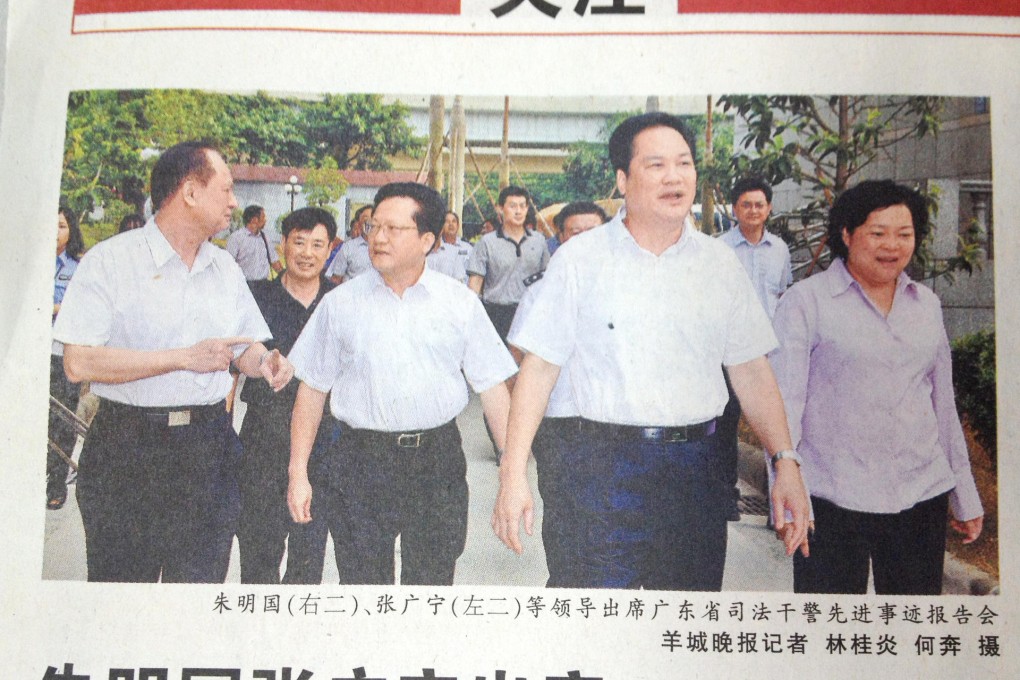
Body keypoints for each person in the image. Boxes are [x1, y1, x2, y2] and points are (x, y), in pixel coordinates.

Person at [492, 112, 811, 591]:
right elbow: (538, 371)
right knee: (591, 627)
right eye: (657, 164)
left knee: (682, 633)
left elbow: (751, 370)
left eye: (684, 163)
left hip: (696, 472)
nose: (674, 177)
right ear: (623, 179)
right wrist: (512, 474)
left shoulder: (719, 264)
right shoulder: (580, 260)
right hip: (600, 468)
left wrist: (784, 461)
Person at [53, 141, 294, 583]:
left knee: (198, 599)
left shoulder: (223, 267)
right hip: (128, 449)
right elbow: (78, 362)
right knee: (124, 601)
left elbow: (244, 346)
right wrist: (183, 358)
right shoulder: (111, 262)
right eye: (226, 189)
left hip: (208, 449)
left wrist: (267, 362)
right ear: (189, 191)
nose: (234, 202)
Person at [287, 182, 516, 585]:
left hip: (436, 461)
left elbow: (494, 389)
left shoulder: (458, 304)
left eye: (394, 229)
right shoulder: (341, 304)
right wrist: (298, 473)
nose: (378, 238)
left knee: (430, 592)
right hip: (360, 461)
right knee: (363, 591)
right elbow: (312, 390)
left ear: (427, 240)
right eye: (374, 227)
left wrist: (512, 475)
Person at [770, 179, 983, 595]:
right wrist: (786, 484)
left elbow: (942, 406)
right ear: (847, 235)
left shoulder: (927, 305)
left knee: (910, 634)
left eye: (904, 234)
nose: (892, 246)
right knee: (828, 633)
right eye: (878, 233)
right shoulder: (805, 302)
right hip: (832, 496)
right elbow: (784, 404)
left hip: (920, 493)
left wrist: (965, 494)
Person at [506, 200, 606, 585]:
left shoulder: (627, 288)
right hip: (561, 428)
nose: (582, 240)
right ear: (559, 239)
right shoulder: (541, 293)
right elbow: (516, 361)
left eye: (592, 232)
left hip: (614, 430)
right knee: (566, 525)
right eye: (574, 233)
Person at [236, 206, 338, 584]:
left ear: (330, 250)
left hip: (324, 443)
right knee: (258, 551)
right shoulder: (255, 297)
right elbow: (233, 367)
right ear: (282, 246)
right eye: (298, 242)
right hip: (263, 437)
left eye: (317, 244)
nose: (307, 253)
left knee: (308, 557)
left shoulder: (339, 303)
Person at [717, 177, 793, 520]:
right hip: (731, 353)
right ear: (735, 210)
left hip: (770, 352)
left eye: (759, 205)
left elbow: (784, 295)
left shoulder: (780, 250)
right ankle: (725, 494)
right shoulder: (720, 249)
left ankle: (783, 500)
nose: (752, 211)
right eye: (745, 205)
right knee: (726, 423)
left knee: (776, 425)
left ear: (769, 209)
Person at [467, 186, 550, 342]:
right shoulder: (487, 242)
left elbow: (547, 279)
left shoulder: (539, 240)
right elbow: (475, 284)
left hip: (530, 314)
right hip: (496, 315)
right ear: (500, 209)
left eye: (522, 206)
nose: (518, 211)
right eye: (512, 206)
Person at [47, 205, 86, 510]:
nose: (54, 231)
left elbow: (77, 308)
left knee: (62, 421)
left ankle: (56, 483)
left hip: (61, 354)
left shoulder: (78, 267)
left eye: (61, 225)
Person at [226, 204, 283, 281]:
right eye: (263, 217)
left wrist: (286, 277)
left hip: (264, 286)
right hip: (244, 286)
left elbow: (275, 262)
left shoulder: (266, 237)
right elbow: (228, 264)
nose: (265, 220)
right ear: (254, 220)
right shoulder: (236, 238)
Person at [325, 204, 373, 284]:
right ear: (359, 224)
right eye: (366, 218)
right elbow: (336, 279)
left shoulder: (388, 247)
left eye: (373, 217)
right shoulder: (348, 247)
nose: (370, 222)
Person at [426, 211, 472, 284]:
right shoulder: (436, 248)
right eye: (447, 221)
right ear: (442, 226)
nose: (451, 224)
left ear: (458, 225)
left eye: (453, 221)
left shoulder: (468, 248)